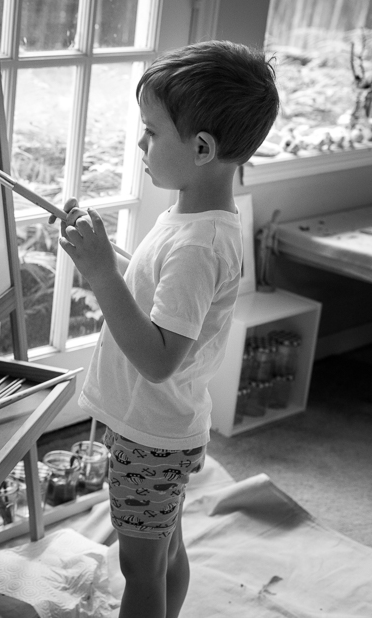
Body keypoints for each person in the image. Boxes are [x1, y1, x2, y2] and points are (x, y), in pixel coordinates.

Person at [50, 40, 279, 618]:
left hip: (151, 435)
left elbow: (157, 359)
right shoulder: (198, 220)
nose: (140, 142)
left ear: (201, 148)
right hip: (166, 428)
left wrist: (101, 274)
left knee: (140, 570)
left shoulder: (199, 245)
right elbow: (161, 303)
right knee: (166, 548)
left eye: (152, 132)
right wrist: (111, 263)